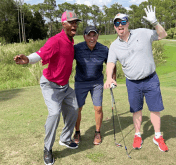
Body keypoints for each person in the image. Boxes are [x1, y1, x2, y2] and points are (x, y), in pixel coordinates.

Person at [14, 11, 81, 165]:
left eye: (75, 22)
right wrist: (28, 59)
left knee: (74, 108)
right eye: (71, 22)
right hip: (50, 85)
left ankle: (64, 138)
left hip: (65, 86)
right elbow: (40, 53)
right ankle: (47, 149)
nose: (74, 25)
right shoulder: (55, 40)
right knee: (55, 113)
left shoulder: (70, 41)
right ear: (63, 24)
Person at [104, 6, 169, 152]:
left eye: (123, 21)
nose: (120, 25)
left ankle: (157, 136)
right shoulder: (114, 46)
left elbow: (163, 34)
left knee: (155, 109)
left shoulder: (142, 32)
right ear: (114, 27)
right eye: (117, 23)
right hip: (132, 83)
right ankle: (137, 134)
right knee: (136, 110)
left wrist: (155, 22)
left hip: (151, 79)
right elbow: (110, 63)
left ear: (128, 23)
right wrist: (109, 77)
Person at [73, 26, 116, 145]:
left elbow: (111, 64)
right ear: (84, 36)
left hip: (97, 82)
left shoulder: (103, 49)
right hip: (80, 82)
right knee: (77, 108)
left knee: (98, 108)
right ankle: (77, 132)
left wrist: (112, 78)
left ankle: (97, 132)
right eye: (89, 35)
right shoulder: (77, 48)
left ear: (97, 36)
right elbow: (66, 60)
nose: (92, 38)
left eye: (94, 35)